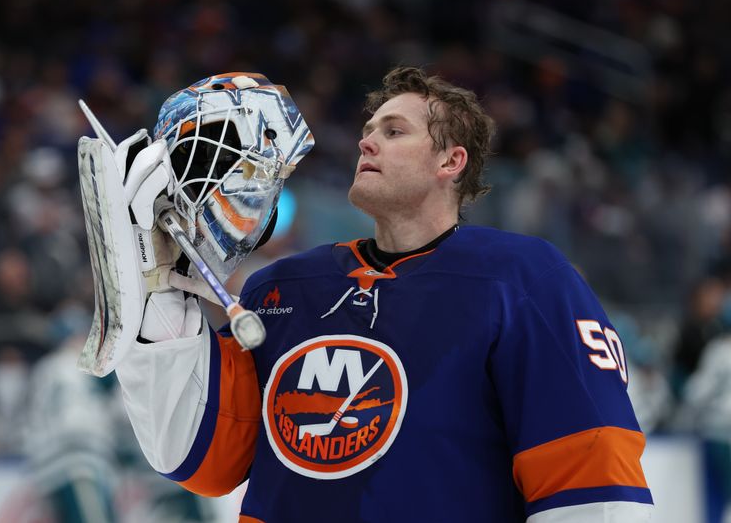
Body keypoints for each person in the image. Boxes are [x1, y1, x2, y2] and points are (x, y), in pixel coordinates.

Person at [109, 67, 653, 522]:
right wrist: (160, 281)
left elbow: (591, 475)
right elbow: (202, 458)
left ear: (450, 162)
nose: (366, 141)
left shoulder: (523, 280)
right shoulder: (281, 288)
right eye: (369, 129)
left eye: (394, 132)